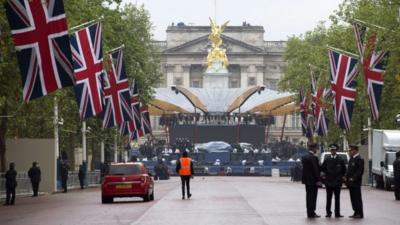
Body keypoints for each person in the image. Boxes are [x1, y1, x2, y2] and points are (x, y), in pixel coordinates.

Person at [321, 144, 346, 218]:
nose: (333, 151)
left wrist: (341, 178)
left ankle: (337, 213)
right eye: (331, 150)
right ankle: (328, 213)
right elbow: (323, 168)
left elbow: (344, 170)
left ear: (336, 150)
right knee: (328, 199)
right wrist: (324, 177)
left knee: (337, 199)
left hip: (337, 182)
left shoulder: (340, 159)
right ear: (330, 150)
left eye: (334, 150)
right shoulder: (327, 159)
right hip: (329, 182)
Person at [301, 143, 321, 218]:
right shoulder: (313, 158)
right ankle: (312, 212)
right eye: (316, 148)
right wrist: (318, 179)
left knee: (308, 196)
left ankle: (309, 212)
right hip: (313, 181)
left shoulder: (304, 157)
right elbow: (316, 170)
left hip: (306, 180)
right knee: (313, 197)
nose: (317, 150)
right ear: (314, 149)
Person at [346, 144, 364, 219]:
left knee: (357, 198)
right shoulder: (352, 158)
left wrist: (353, 178)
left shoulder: (359, 159)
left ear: (356, 150)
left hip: (356, 182)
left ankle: (359, 213)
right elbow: (349, 170)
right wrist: (345, 177)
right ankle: (355, 212)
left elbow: (359, 171)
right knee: (353, 198)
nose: (350, 152)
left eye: (352, 150)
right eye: (350, 150)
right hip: (350, 183)